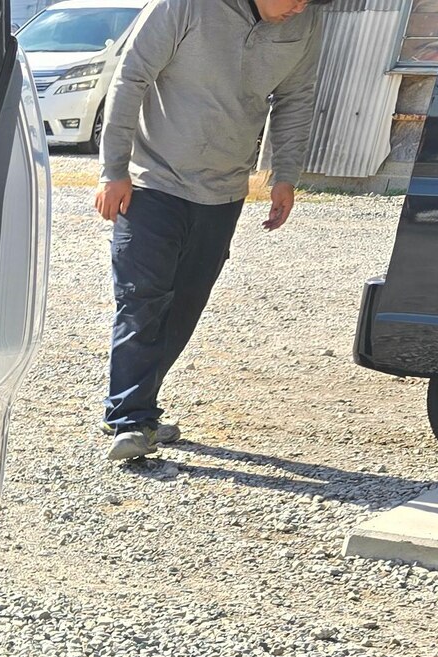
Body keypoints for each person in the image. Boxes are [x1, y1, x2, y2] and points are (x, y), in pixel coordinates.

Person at [94, 0, 325, 464]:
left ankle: (135, 408)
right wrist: (113, 170)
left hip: (224, 192)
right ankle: (131, 419)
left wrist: (285, 176)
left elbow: (296, 99)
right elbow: (131, 76)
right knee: (143, 299)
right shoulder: (184, 6)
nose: (301, 6)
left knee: (184, 306)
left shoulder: (305, 22)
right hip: (151, 182)